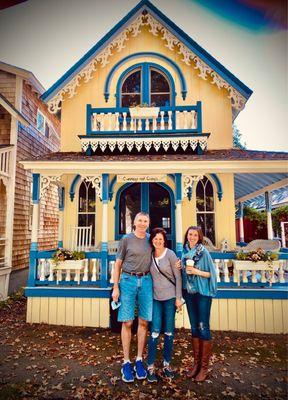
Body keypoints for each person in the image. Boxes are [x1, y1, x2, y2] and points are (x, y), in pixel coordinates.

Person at [112, 212, 153, 383]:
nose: (143, 223)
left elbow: (162, 255)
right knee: (127, 322)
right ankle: (126, 361)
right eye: (140, 221)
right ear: (134, 223)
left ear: (148, 223)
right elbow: (118, 264)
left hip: (146, 281)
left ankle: (138, 360)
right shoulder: (126, 239)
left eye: (145, 221)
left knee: (143, 322)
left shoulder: (151, 239)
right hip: (128, 281)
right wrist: (116, 286)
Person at [181, 226, 217, 382]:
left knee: (203, 327)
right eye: (190, 234)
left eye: (195, 235)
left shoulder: (204, 252)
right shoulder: (184, 253)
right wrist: (180, 266)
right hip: (189, 293)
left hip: (203, 293)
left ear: (199, 237)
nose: (192, 237)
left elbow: (211, 274)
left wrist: (196, 272)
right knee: (194, 327)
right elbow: (184, 272)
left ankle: (203, 368)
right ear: (187, 236)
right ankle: (196, 365)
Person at [146, 228, 183, 383]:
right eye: (155, 238)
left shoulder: (170, 254)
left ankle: (167, 365)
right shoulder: (149, 255)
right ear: (152, 240)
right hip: (155, 298)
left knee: (168, 332)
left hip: (170, 298)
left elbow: (178, 277)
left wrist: (178, 298)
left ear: (164, 240)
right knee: (154, 332)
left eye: (160, 239)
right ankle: (150, 367)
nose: (158, 241)